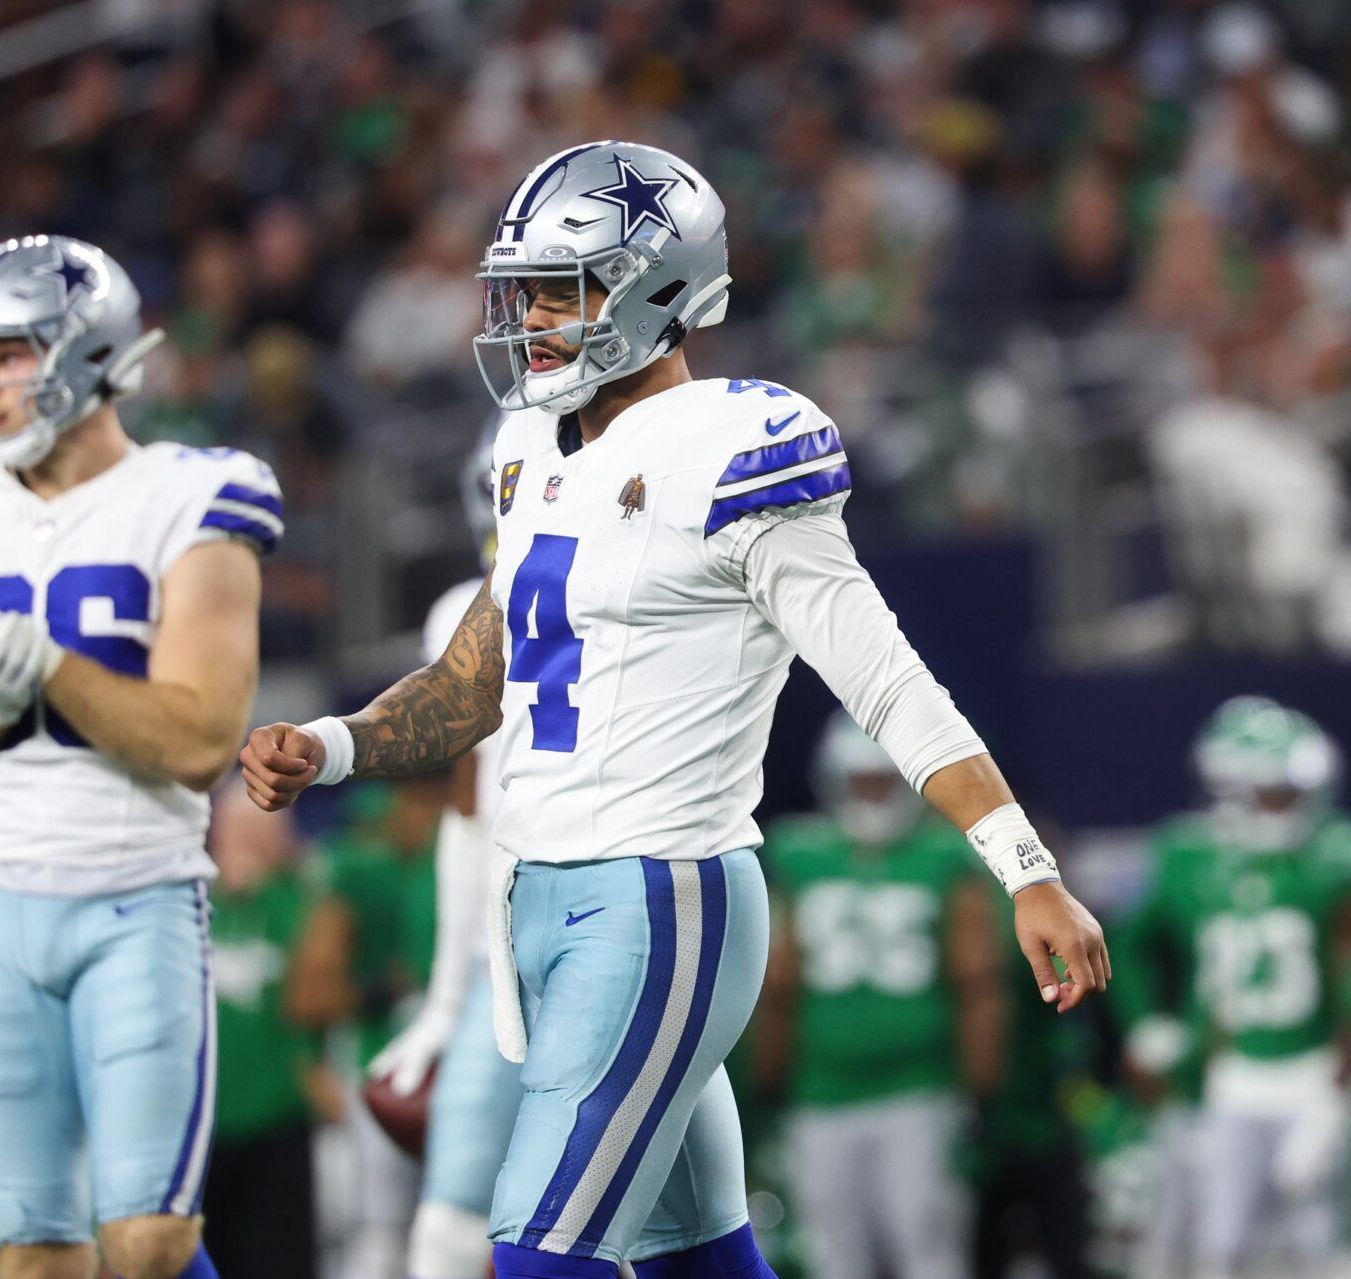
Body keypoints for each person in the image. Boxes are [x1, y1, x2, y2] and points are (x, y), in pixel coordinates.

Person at [242, 141, 1108, 1279]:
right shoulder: (532, 447)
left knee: (538, 1259)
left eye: (566, 288)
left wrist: (1023, 866)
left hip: (662, 898)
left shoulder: (734, 448)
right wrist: (335, 745)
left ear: (657, 288)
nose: (533, 318)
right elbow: (473, 681)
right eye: (526, 290)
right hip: (543, 903)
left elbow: (887, 679)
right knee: (702, 1258)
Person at [0, 234, 274, 1279]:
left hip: (137, 897)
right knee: (33, 1258)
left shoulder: (191, 495)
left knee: (148, 1241)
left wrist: (46, 665)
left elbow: (198, 740)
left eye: (13, 354)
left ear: (91, 355)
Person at [1117, 696, 1351, 1279]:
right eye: (1273, 793)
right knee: (1216, 1241)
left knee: (1318, 1244)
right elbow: (1129, 949)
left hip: (1312, 1069)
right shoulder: (1183, 854)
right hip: (1221, 1073)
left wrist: (1344, 1085)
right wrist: (1146, 1024)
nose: (1286, 807)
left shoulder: (1339, 855)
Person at [754, 714, 1004, 1279]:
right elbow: (777, 984)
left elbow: (979, 983)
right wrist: (769, 1080)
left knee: (926, 1245)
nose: (872, 795)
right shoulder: (799, 853)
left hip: (918, 1085)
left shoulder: (942, 856)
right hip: (820, 1088)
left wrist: (978, 1088)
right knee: (831, 1252)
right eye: (861, 783)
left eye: (883, 782)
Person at [364, 429, 525, 1279]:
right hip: (506, 950)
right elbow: (468, 816)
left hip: (616, 922)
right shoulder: (467, 606)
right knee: (451, 1234)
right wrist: (447, 995)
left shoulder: (642, 587)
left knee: (648, 1233)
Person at [296, 778, 443, 1279]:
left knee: (405, 1227)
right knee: (382, 1227)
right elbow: (310, 996)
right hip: (381, 1060)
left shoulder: (424, 861)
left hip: (408, 1058)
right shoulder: (363, 868)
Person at [198, 791, 321, 1279]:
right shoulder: (191, 902)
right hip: (201, 1121)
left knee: (280, 1259)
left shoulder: (302, 898)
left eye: (265, 832)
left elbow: (322, 985)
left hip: (279, 1115)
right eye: (239, 831)